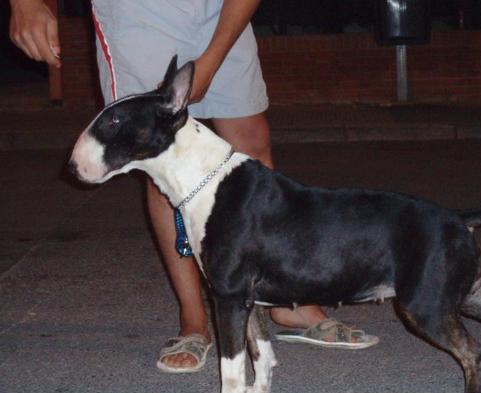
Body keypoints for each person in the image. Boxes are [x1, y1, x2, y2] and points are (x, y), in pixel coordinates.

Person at [9, 0, 378, 373]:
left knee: (251, 140)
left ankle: (286, 300)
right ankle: (194, 319)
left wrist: (213, 57)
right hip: (139, 12)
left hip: (219, 7)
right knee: (158, 155)